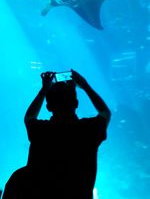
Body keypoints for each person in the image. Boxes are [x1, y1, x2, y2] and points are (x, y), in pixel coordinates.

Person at [2, 69, 111, 199]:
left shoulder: (41, 131)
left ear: (48, 107)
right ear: (76, 103)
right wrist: (85, 86)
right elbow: (105, 112)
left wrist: (44, 90)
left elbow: (29, 117)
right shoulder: (88, 129)